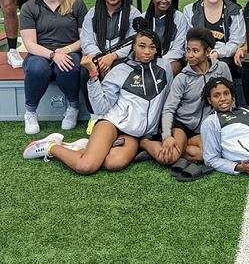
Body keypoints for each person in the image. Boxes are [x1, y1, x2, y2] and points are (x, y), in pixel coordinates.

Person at [22, 28, 172, 174]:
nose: (147, 51)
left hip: (133, 134)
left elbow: (167, 101)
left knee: (113, 163)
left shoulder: (165, 68)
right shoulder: (121, 70)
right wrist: (93, 76)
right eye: (142, 46)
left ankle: (84, 147)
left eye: (152, 47)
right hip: (112, 124)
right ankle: (50, 147)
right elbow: (101, 107)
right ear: (133, 46)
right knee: (86, 166)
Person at [143, 28, 232, 177]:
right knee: (170, 157)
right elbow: (169, 109)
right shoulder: (182, 78)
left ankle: (182, 146)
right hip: (182, 124)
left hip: (205, 126)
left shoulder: (222, 68)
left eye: (195, 51)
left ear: (208, 51)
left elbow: (230, 96)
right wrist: (167, 136)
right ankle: (145, 143)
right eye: (188, 50)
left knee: (208, 155)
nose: (189, 55)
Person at [19, 0, 88, 135]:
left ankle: (73, 107)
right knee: (37, 68)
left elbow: (85, 38)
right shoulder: (29, 7)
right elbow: (30, 44)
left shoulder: (76, 4)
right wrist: (52, 54)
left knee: (69, 64)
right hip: (40, 53)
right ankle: (30, 112)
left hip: (69, 50)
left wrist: (64, 51)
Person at [182, 0, 245, 76]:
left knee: (222, 66)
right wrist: (200, 54)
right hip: (196, 56)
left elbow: (236, 42)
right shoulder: (190, 10)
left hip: (224, 57)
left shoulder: (235, 11)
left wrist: (217, 53)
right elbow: (187, 40)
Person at [79, 0, 141, 79]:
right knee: (86, 71)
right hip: (97, 56)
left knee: (118, 70)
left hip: (124, 58)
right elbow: (86, 40)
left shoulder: (133, 13)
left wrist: (113, 56)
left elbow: (136, 42)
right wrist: (100, 57)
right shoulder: (92, 13)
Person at [142, 0, 188, 76]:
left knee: (174, 67)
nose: (164, 1)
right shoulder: (143, 18)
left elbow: (178, 49)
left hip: (169, 60)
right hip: (145, 59)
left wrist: (159, 62)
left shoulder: (179, 18)